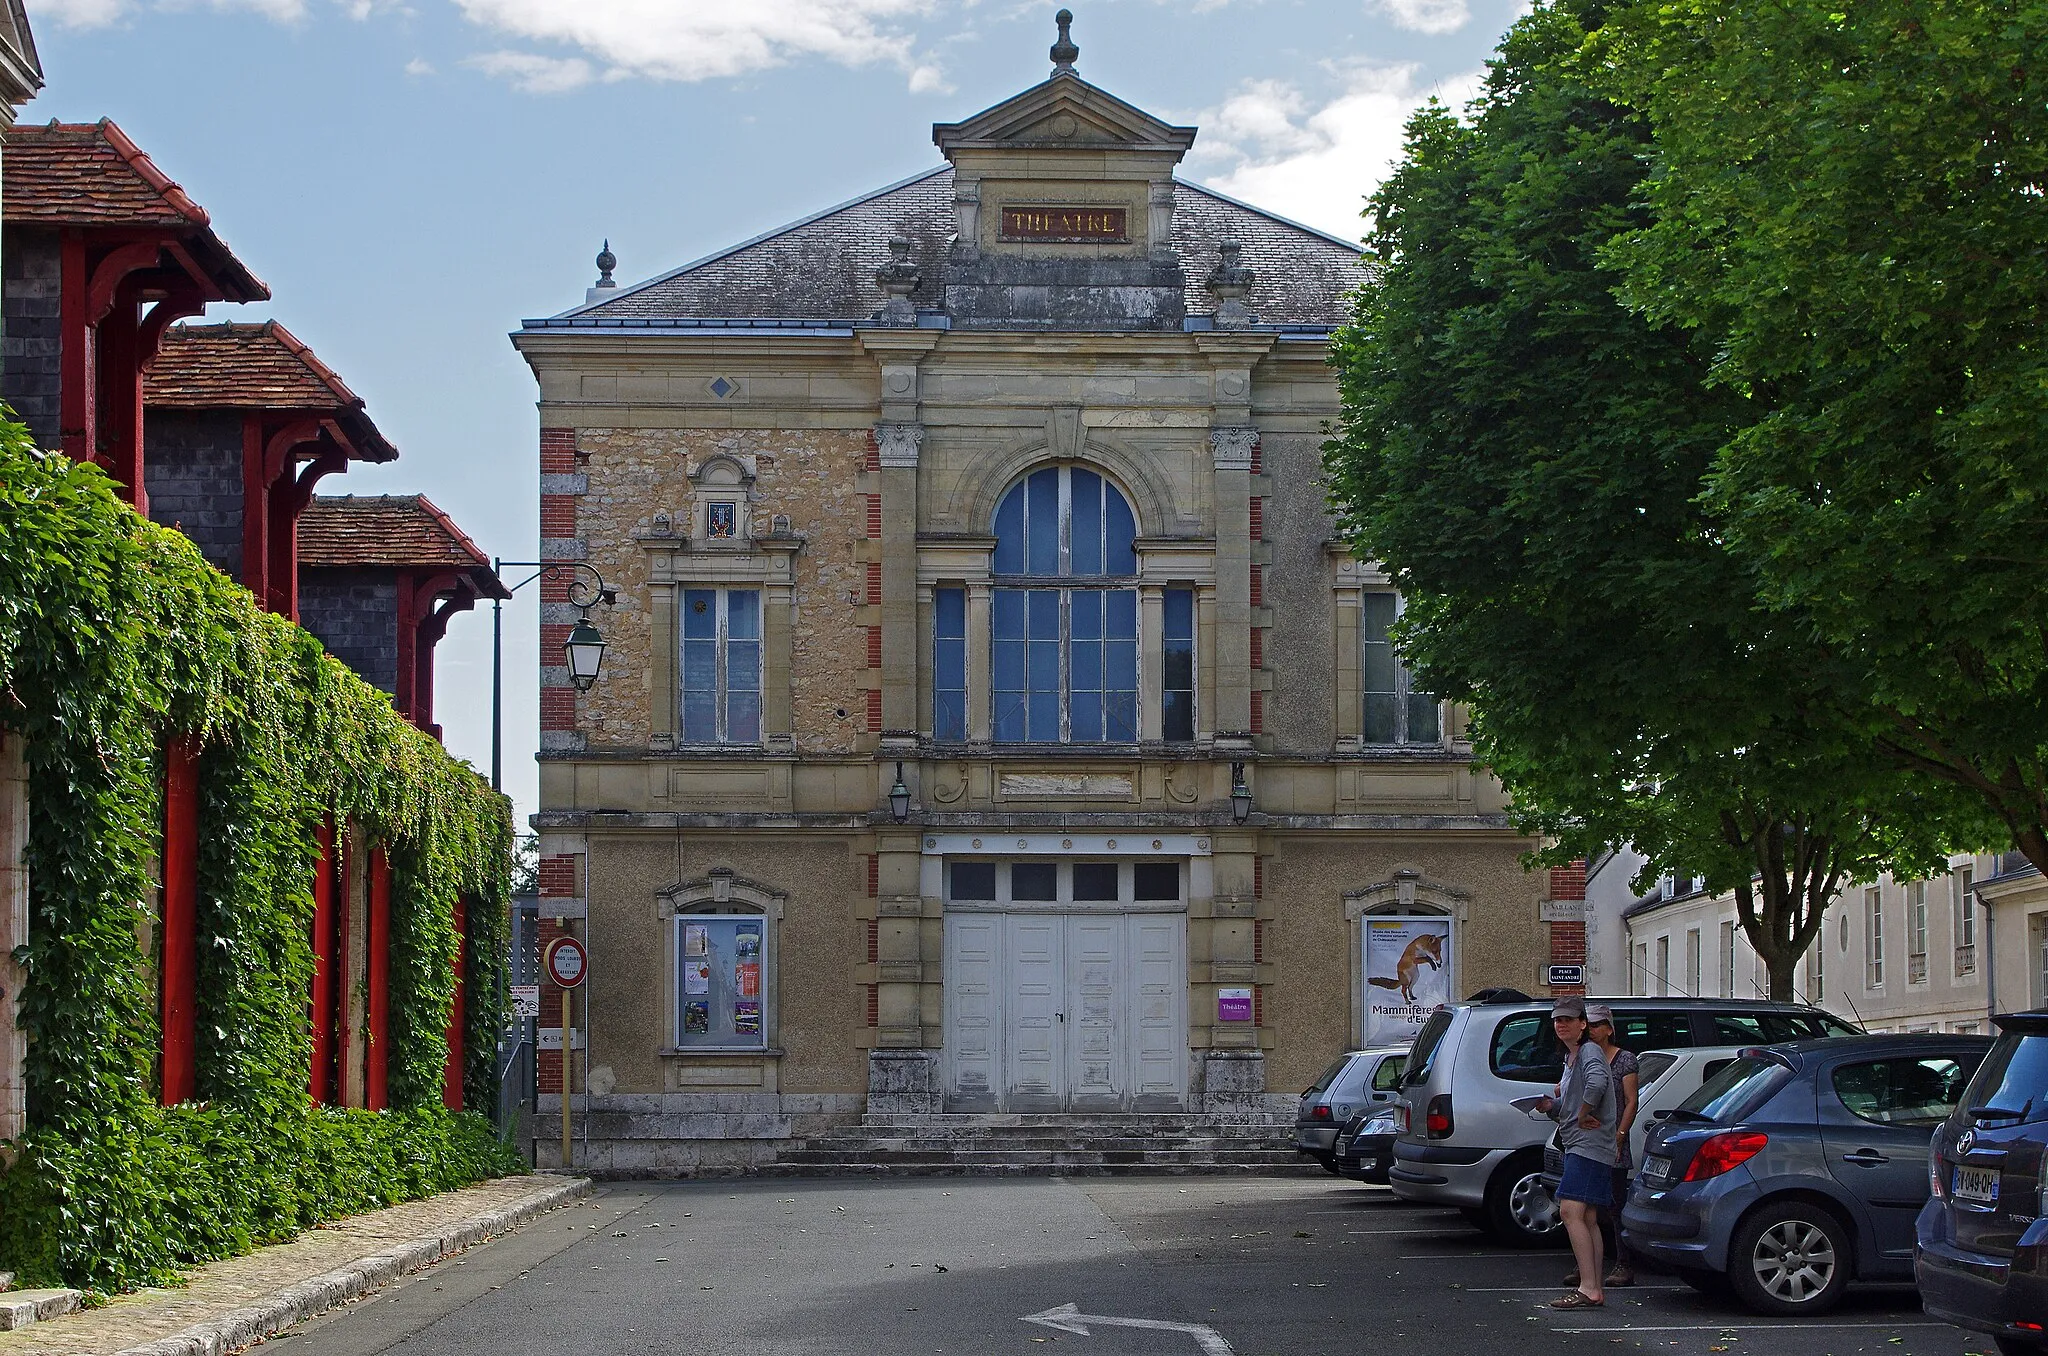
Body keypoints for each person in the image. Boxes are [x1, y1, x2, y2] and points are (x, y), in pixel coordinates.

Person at [1535, 995, 1617, 1309]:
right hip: (1580, 1143)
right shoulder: (1571, 1059)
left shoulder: (1589, 1052)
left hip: (1590, 1145)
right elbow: (1576, 1099)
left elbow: (1596, 1085)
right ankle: (1593, 1286)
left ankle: (1588, 1289)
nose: (1561, 1024)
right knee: (1589, 1216)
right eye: (1557, 1020)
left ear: (1583, 1024)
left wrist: (1583, 1114)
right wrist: (1552, 1106)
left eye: (1569, 1019)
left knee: (1570, 1212)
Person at [1574, 1003, 1638, 1289]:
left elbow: (1630, 1100)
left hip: (1611, 1139)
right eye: (1590, 1024)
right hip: (1588, 1139)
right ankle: (1587, 1264)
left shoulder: (1624, 1060)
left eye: (1598, 1025)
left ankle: (1624, 1262)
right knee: (1586, 1203)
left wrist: (1621, 1134)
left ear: (1610, 1029)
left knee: (1614, 1204)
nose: (1593, 1029)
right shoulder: (1583, 1057)